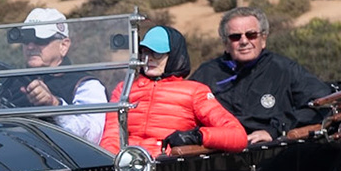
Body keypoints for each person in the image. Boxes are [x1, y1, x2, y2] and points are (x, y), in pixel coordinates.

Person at [0, 7, 109, 144]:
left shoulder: (85, 85)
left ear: (63, 46)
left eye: (40, 40)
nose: (30, 46)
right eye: (26, 39)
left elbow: (91, 136)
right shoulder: (8, 82)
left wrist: (54, 105)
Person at [191, 7, 334, 145]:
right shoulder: (206, 74)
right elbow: (183, 112)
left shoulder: (285, 70)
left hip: (273, 156)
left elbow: (322, 104)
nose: (244, 41)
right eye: (235, 37)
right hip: (220, 153)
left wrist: (276, 130)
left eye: (251, 35)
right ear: (226, 44)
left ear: (263, 39)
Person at [104, 25, 247, 155]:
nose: (149, 59)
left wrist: (196, 136)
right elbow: (111, 134)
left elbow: (237, 135)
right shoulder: (124, 88)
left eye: (157, 53)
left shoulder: (195, 91)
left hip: (166, 165)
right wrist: (110, 161)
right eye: (145, 52)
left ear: (173, 56)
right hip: (129, 166)